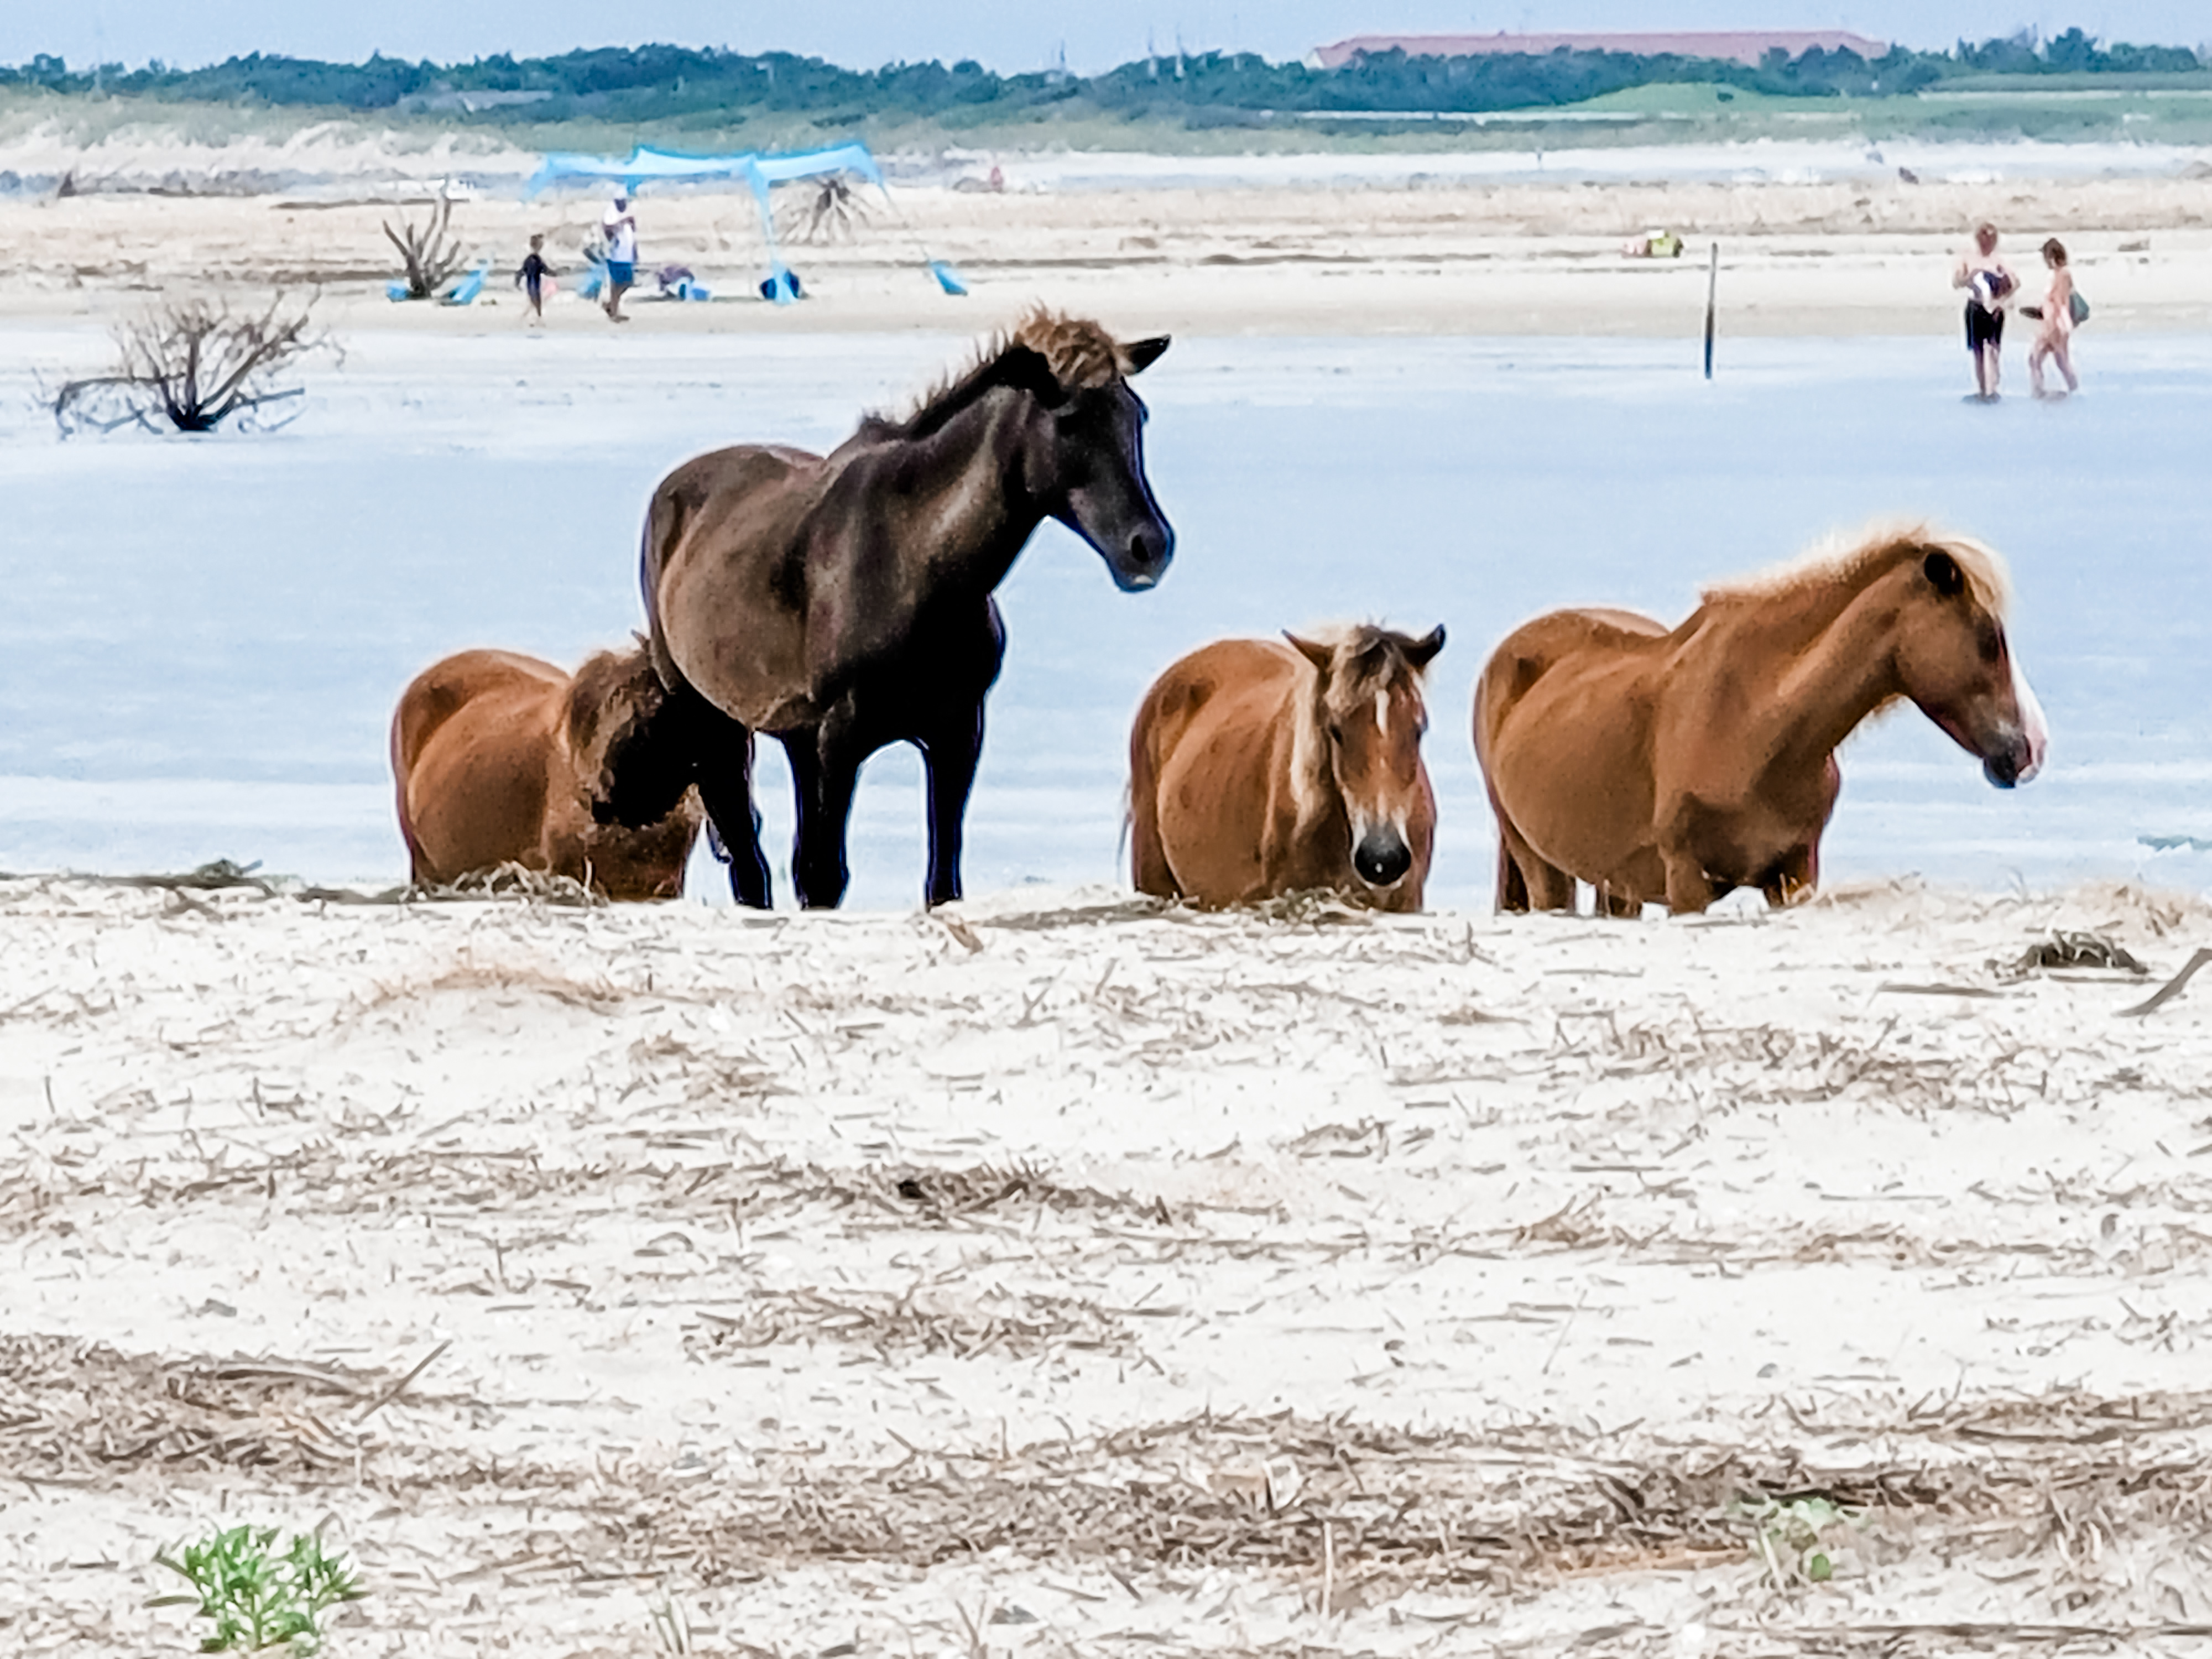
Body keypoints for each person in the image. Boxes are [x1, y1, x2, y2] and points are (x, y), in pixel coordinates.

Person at [1952, 222, 2015, 401]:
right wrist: (1968, 278)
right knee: (1978, 350)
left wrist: (2000, 301)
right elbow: (1956, 283)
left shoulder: (2000, 261)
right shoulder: (1968, 259)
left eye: (1991, 239)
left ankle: (1993, 388)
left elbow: (2014, 283)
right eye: (1984, 238)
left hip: (1994, 309)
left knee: (1993, 348)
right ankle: (1981, 389)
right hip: (1976, 306)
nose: (1987, 242)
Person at [2026, 237, 2081, 400]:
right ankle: (2073, 391)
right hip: (2054, 321)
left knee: (2038, 359)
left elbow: (2059, 301)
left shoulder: (2061, 275)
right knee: (2058, 360)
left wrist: (2051, 325)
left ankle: (2039, 392)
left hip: (2055, 323)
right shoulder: (2060, 274)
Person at [602, 195, 638, 322]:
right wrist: (624, 221)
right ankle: (614, 311)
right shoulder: (611, 214)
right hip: (616, 255)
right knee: (616, 283)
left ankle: (611, 305)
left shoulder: (627, 214)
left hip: (627, 255)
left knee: (628, 282)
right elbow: (608, 229)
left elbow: (633, 235)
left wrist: (635, 251)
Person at [515, 234, 555, 324]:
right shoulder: (536, 260)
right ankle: (534, 319)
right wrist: (556, 273)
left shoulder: (530, 259)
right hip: (534, 283)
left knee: (533, 300)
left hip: (530, 283)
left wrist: (517, 282)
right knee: (536, 301)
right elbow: (546, 271)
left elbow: (521, 272)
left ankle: (529, 318)